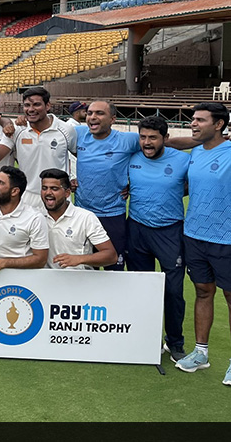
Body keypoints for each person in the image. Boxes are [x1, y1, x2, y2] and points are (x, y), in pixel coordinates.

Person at [173, 103, 231, 385]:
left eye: (200, 120)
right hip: (194, 235)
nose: (193, 124)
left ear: (219, 124)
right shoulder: (195, 153)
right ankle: (200, 353)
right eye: (192, 120)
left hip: (227, 239)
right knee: (203, 291)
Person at [126, 116, 189, 361]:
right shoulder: (131, 158)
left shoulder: (184, 159)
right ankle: (141, 338)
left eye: (153, 137)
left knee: (173, 291)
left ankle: (174, 342)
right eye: (143, 137)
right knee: (140, 287)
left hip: (170, 231)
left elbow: (195, 184)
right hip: (137, 230)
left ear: (166, 138)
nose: (147, 142)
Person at [73, 100, 141, 271]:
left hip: (113, 215)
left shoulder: (128, 140)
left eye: (99, 113)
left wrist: (134, 182)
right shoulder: (78, 133)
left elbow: (155, 148)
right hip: (82, 214)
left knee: (114, 269)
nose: (93, 117)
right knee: (84, 268)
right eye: (89, 113)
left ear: (113, 119)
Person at [0, 87, 76, 210]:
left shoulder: (66, 130)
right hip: (27, 196)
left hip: (58, 195)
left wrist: (75, 178)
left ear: (47, 106)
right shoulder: (18, 130)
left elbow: (80, 156)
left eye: (36, 104)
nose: (31, 109)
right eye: (27, 105)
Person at [40, 168, 117, 270]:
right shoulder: (37, 217)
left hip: (80, 280)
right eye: (44, 188)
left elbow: (111, 256)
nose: (48, 193)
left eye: (54, 189)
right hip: (45, 280)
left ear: (67, 193)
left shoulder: (85, 217)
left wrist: (79, 259)